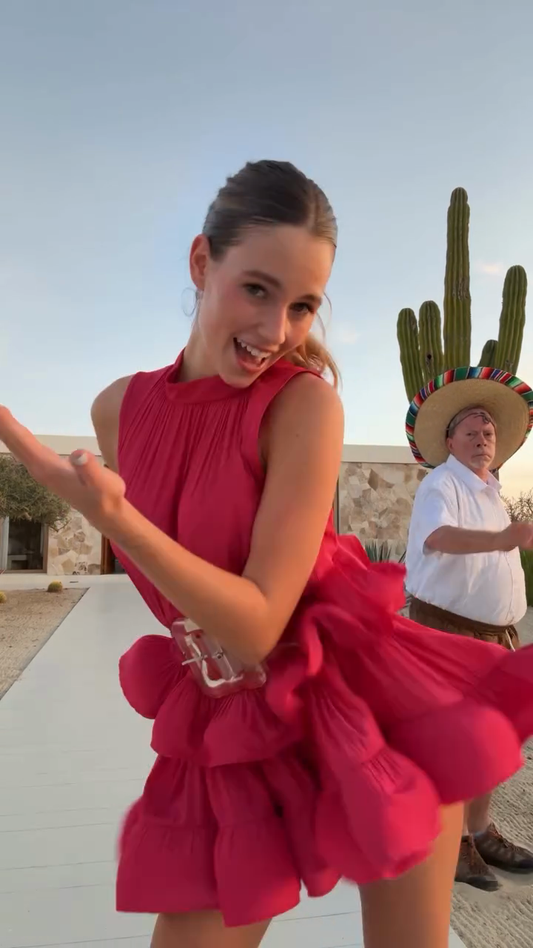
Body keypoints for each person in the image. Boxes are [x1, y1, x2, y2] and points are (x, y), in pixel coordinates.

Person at [2, 161, 533, 948]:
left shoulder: (304, 406)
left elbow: (256, 623)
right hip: (231, 721)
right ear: (199, 262)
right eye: (256, 289)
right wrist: (111, 517)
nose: (277, 329)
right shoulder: (117, 407)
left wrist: (113, 518)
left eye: (303, 304)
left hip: (368, 713)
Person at [405, 387, 533, 892]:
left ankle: (479, 832)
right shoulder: (442, 484)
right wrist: (505, 539)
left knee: (494, 739)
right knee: (456, 743)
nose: (482, 440)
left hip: (493, 636)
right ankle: (453, 845)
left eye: (488, 433)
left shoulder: (490, 490)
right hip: (449, 633)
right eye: (471, 433)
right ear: (449, 441)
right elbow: (438, 539)